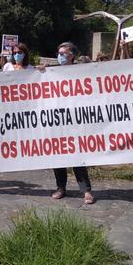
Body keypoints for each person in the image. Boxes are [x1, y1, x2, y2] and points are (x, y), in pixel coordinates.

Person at [51, 42, 94, 204]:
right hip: (56, 121)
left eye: (64, 53)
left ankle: (86, 191)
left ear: (72, 56)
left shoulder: (80, 72)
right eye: (59, 53)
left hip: (75, 121)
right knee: (57, 156)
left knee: (77, 157)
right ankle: (60, 187)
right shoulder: (51, 71)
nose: (60, 56)